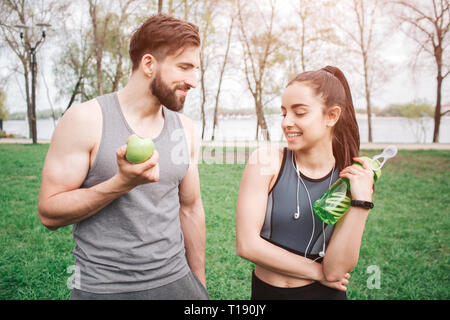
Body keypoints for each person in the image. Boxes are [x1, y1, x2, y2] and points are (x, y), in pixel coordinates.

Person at [38, 14, 208, 300]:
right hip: (104, 288)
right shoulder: (86, 119)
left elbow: (190, 208)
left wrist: (199, 285)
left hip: (177, 282)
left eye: (196, 70)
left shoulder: (185, 128)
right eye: (184, 67)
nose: (193, 81)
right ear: (149, 64)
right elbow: (49, 213)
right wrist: (120, 184)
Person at [236, 66, 375, 300]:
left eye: (299, 113)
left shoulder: (350, 179)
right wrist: (317, 273)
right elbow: (247, 245)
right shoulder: (267, 162)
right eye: (283, 113)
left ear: (332, 116)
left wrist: (361, 201)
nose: (286, 122)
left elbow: (336, 270)